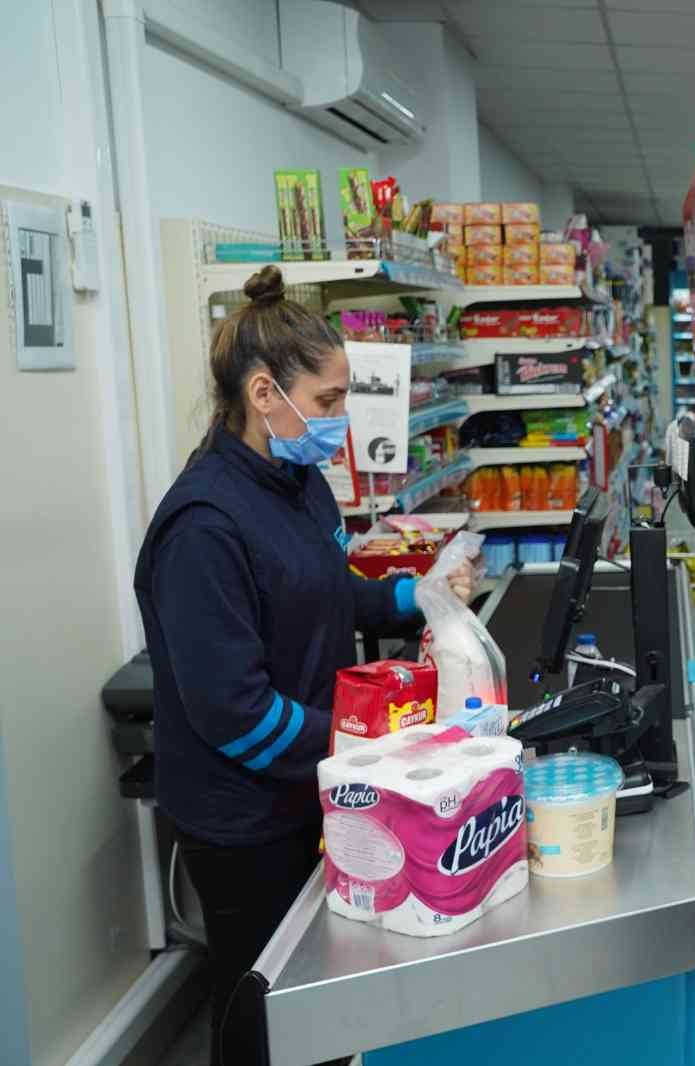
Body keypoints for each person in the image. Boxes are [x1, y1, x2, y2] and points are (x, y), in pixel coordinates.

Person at [133, 266, 473, 1065]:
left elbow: (323, 591)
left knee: (320, 1006)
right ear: (263, 395)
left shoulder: (296, 481)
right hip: (245, 816)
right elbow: (233, 712)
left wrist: (410, 598)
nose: (340, 420)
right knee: (264, 1013)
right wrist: (366, 752)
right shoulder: (204, 527)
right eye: (327, 402)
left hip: (311, 784)